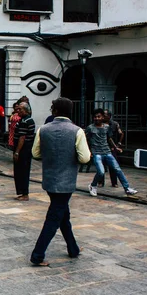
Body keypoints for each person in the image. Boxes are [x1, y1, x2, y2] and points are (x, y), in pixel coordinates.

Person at [30, 97, 90, 266]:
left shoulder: (43, 129)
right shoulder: (77, 131)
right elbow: (85, 158)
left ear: (54, 111)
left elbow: (36, 154)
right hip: (67, 181)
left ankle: (73, 248)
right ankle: (37, 255)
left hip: (49, 179)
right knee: (54, 218)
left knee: (63, 215)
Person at [86, 108, 138, 197]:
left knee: (117, 169)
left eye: (99, 116)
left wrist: (115, 147)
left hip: (107, 151)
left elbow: (109, 138)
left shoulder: (107, 127)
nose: (97, 118)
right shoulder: (90, 128)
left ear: (102, 117)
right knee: (101, 172)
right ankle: (93, 185)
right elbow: (87, 140)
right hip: (96, 152)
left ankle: (127, 188)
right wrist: (89, 151)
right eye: (95, 117)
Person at [13, 102, 36, 201]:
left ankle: (24, 193)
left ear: (26, 110)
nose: (18, 111)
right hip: (25, 148)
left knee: (22, 171)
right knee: (21, 171)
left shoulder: (25, 121)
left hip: (24, 149)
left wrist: (17, 152)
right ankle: (22, 192)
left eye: (20, 109)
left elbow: (22, 138)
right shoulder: (25, 120)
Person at [104, 109, 124, 188]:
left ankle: (114, 182)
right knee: (101, 165)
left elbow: (121, 133)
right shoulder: (100, 124)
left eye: (105, 115)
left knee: (113, 165)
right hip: (102, 146)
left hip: (112, 147)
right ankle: (100, 181)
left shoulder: (114, 124)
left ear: (109, 116)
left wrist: (118, 144)